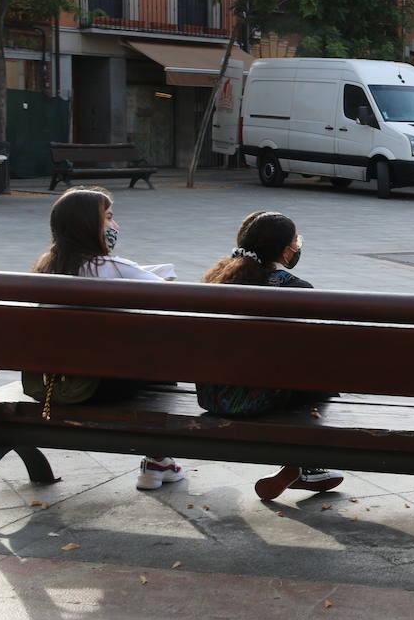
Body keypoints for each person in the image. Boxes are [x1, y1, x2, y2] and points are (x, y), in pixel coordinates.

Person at [29, 186, 185, 491]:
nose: (115, 226)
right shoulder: (117, 269)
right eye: (109, 218)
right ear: (90, 226)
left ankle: (159, 461)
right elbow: (177, 302)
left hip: (52, 384)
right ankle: (156, 458)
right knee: (162, 357)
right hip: (105, 386)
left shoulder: (44, 269)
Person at [197, 211, 344, 501]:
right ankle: (306, 462)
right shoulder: (294, 289)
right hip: (257, 400)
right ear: (284, 250)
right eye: (295, 241)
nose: (298, 246)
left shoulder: (214, 280)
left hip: (211, 395)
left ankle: (301, 466)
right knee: (317, 374)